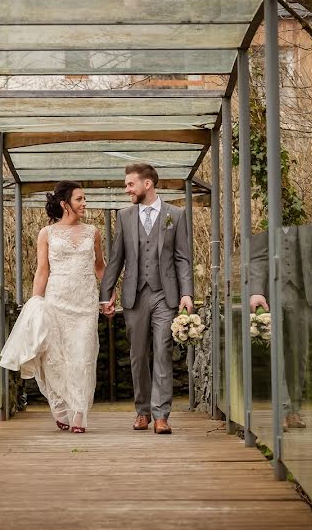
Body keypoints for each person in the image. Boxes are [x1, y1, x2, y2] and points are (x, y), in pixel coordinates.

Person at [0, 181, 105, 433]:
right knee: (55, 357)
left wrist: (108, 295)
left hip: (85, 303)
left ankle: (79, 413)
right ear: (64, 203)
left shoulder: (93, 232)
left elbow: (100, 266)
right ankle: (60, 407)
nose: (84, 203)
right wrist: (36, 302)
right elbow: (42, 270)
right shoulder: (47, 233)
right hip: (57, 301)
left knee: (83, 355)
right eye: (79, 199)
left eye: (84, 199)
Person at [99, 163, 194, 435]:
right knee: (138, 355)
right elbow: (116, 258)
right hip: (135, 295)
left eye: (130, 184)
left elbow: (183, 258)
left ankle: (161, 415)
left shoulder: (176, 214)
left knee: (163, 352)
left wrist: (187, 293)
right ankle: (142, 411)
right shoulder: (125, 216)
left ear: (147, 184)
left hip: (166, 295)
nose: (126, 188)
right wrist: (106, 295)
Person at [248, 226, 312, 431]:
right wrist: (256, 291)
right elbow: (257, 258)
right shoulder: (264, 222)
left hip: (303, 295)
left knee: (299, 355)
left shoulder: (307, 222)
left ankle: (294, 408)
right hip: (272, 294)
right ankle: (283, 410)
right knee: (277, 352)